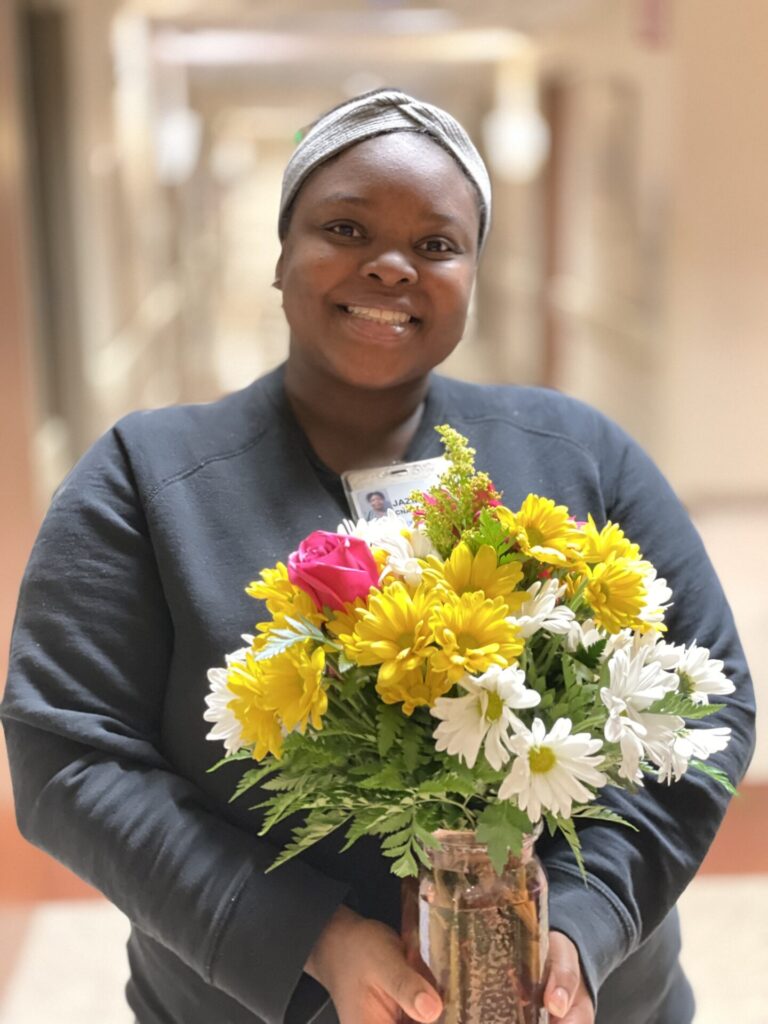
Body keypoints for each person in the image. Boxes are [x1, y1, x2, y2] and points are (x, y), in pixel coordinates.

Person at [1, 88, 755, 1024]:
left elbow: (710, 699)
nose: (392, 266)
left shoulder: (577, 455)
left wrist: (583, 927)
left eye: (438, 244)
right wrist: (314, 942)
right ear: (281, 257)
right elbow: (68, 758)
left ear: (474, 273)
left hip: (572, 1000)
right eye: (346, 227)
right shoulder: (144, 478)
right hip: (252, 1000)